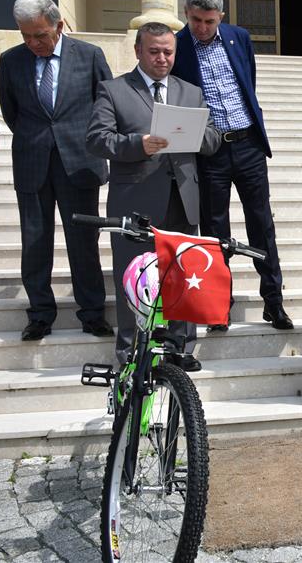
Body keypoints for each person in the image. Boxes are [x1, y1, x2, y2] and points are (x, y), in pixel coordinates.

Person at [87, 22, 221, 370]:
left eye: (168, 52)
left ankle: (181, 347)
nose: (162, 58)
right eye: (154, 51)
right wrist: (137, 144)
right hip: (135, 200)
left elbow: (213, 138)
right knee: (133, 276)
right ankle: (131, 352)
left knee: (183, 276)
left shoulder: (190, 91)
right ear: (137, 51)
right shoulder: (113, 90)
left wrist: (197, 137)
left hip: (182, 197)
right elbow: (97, 139)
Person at [171, 0, 291, 332]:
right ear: (186, 13)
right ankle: (219, 306)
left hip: (248, 144)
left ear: (221, 17)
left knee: (261, 224)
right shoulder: (177, 47)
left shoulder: (239, 38)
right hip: (211, 150)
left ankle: (274, 302)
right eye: (196, 20)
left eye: (210, 21)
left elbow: (246, 82)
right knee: (214, 230)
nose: (202, 28)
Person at [0, 0, 114, 341]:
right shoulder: (11, 60)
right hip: (33, 159)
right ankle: (40, 313)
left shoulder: (90, 55)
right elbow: (12, 110)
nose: (33, 43)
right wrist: (39, 138)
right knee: (35, 241)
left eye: (41, 35)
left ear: (59, 25)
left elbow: (104, 104)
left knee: (83, 241)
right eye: (26, 36)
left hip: (79, 161)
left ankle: (92, 313)